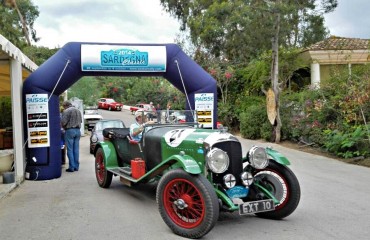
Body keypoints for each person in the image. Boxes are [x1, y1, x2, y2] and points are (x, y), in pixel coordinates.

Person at [61, 101, 82, 172]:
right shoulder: (78, 111)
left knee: (69, 149)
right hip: (78, 131)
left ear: (65, 106)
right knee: (76, 149)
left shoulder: (66, 111)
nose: (63, 108)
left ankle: (71, 167)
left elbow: (63, 122)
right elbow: (80, 121)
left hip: (70, 131)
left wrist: (63, 127)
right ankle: (76, 166)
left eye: (63, 106)